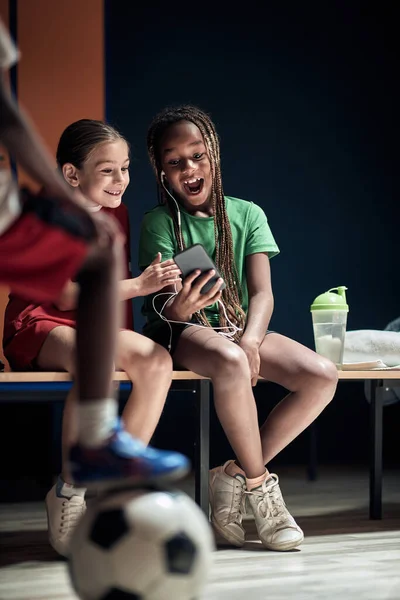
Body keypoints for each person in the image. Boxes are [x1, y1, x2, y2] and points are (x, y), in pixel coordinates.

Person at [0, 20, 189, 553]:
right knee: (96, 361)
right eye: (109, 171)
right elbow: (63, 296)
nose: (121, 181)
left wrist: (165, 289)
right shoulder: (51, 215)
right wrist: (138, 283)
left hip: (92, 324)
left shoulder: (120, 216)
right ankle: (71, 489)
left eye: (126, 169)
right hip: (39, 325)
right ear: (71, 173)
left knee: (154, 361)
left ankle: (117, 488)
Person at [138, 104, 338, 551]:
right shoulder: (158, 223)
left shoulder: (247, 213)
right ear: (162, 170)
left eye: (198, 155)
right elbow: (164, 308)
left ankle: (230, 476)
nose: (189, 168)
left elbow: (262, 294)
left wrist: (251, 341)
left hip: (240, 328)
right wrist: (185, 307)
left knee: (322, 375)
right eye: (175, 162)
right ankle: (261, 489)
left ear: (214, 155)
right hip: (182, 331)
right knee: (228, 361)